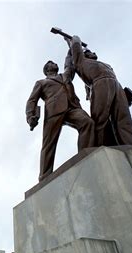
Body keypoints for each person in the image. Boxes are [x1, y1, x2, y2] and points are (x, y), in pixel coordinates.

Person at [26, 48, 95, 181]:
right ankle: (44, 177)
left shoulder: (65, 75)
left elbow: (69, 63)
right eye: (51, 63)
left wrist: (71, 47)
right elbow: (32, 100)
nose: (54, 63)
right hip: (53, 112)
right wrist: (30, 117)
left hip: (72, 108)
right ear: (47, 69)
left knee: (88, 123)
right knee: (49, 144)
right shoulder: (41, 83)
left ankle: (85, 156)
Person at [70, 35, 132, 147]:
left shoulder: (106, 65)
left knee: (123, 118)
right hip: (100, 83)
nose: (93, 52)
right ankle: (102, 146)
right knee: (100, 119)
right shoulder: (82, 62)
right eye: (89, 52)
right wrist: (74, 41)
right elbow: (76, 54)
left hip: (116, 85)